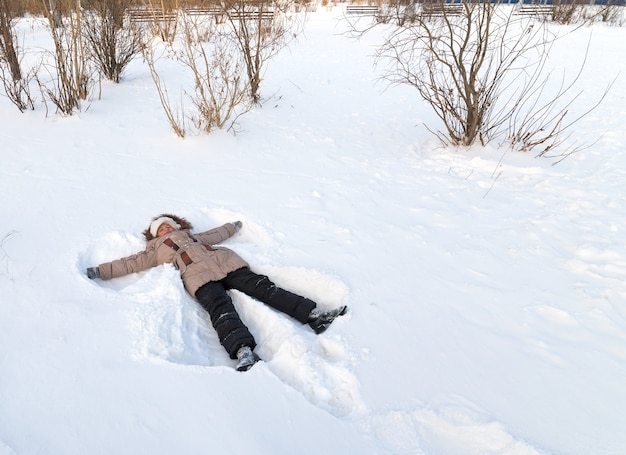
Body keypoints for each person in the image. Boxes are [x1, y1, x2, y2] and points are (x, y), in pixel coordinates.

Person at [86, 214, 347, 372]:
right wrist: (101, 270)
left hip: (226, 263)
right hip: (197, 277)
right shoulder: (153, 251)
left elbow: (215, 233)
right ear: (154, 235)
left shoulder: (194, 236)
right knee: (221, 309)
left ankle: (312, 314)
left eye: (168, 225)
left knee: (264, 288)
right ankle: (243, 350)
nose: (166, 229)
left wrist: (232, 227)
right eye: (161, 229)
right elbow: (130, 263)